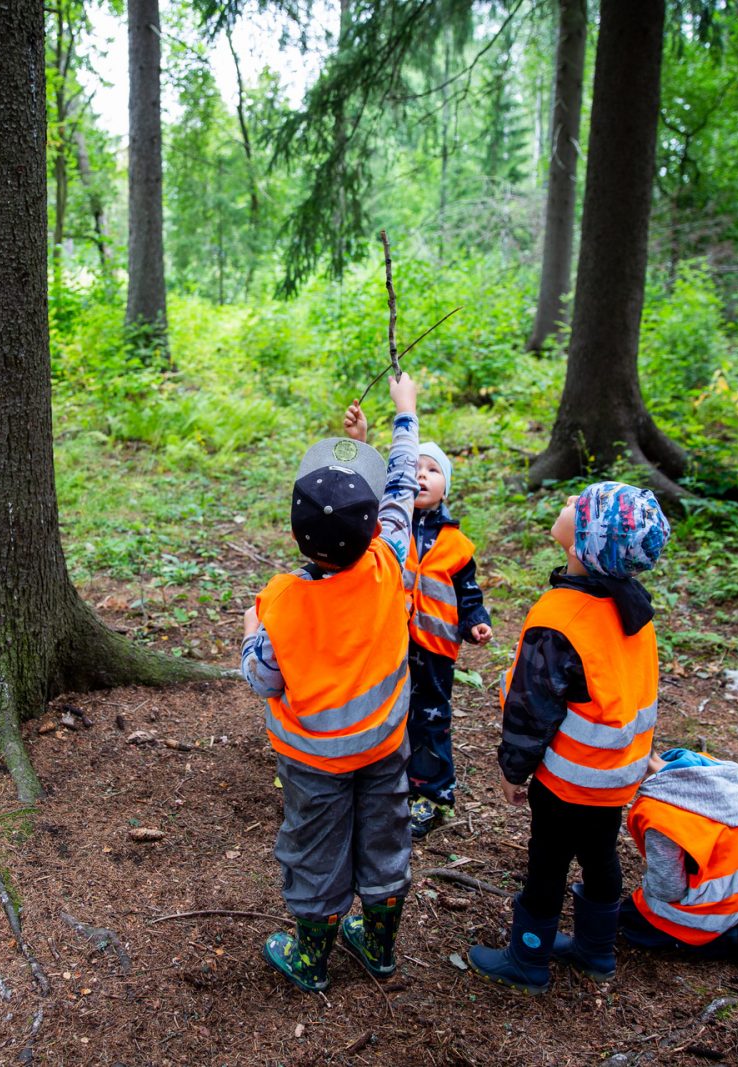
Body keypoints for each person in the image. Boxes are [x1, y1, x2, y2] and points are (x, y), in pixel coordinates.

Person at [239, 373, 421, 993]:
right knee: (385, 837)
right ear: (372, 528)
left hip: (314, 761)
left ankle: (312, 958)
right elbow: (400, 487)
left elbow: (263, 679)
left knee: (315, 847)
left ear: (296, 533)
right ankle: (378, 946)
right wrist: (403, 418)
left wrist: (248, 631)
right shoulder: (390, 560)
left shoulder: (281, 604)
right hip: (382, 746)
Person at [468, 481, 670, 993]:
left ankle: (528, 959)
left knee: (548, 861)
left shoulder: (561, 619)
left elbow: (531, 712)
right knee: (601, 854)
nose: (566, 505)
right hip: (617, 773)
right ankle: (595, 951)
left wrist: (513, 771)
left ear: (586, 543)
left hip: (568, 780)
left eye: (578, 507)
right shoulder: (633, 607)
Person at [344, 407, 492, 839]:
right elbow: (370, 494)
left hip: (434, 651)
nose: (422, 476)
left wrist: (475, 621)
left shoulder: (458, 543)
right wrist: (364, 441)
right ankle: (381, 787)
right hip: (386, 644)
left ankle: (430, 794)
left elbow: (468, 593)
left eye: (433, 470)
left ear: (446, 485)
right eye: (415, 468)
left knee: (430, 720)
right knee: (383, 712)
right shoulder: (387, 527)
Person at [620, 748, 738, 961]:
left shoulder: (659, 812)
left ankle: (728, 940)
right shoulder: (711, 765)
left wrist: (646, 888)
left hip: (724, 905)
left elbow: (668, 890)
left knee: (631, 921)